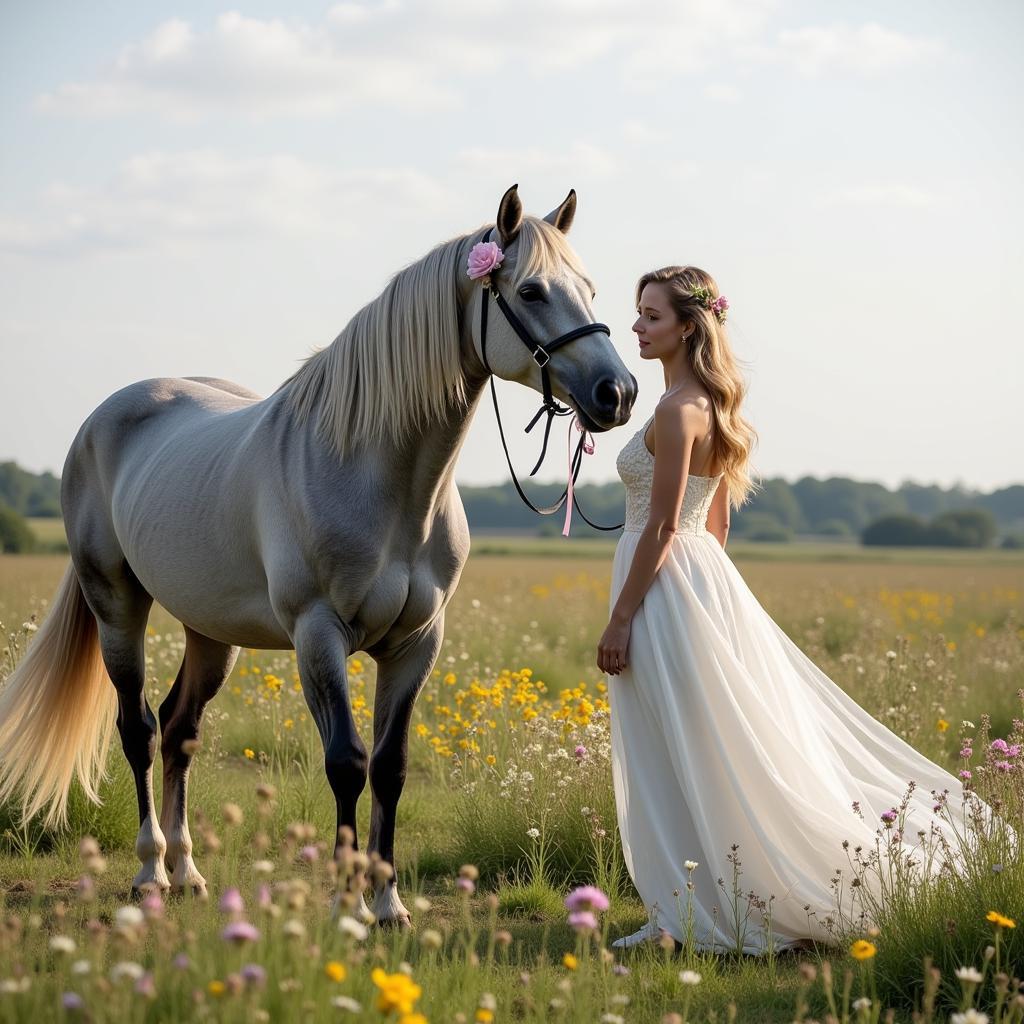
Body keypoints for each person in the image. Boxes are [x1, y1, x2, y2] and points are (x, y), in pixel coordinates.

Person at [596, 265, 995, 953]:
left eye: (651, 316)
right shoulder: (715, 407)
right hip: (699, 579)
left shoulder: (674, 410)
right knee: (705, 742)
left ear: (688, 325)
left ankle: (691, 913)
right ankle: (696, 903)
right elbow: (713, 528)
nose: (635, 326)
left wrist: (624, 615)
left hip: (659, 584)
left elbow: (663, 526)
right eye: (638, 314)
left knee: (673, 744)